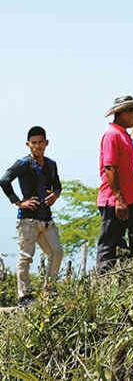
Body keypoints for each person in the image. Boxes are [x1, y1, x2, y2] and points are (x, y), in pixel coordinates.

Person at [1, 126, 63, 305]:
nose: (37, 146)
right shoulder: (23, 163)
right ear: (28, 144)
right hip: (27, 219)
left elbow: (57, 185)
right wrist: (19, 202)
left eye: (40, 142)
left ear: (46, 143)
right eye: (34, 143)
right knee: (26, 257)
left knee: (57, 252)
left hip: (46, 218)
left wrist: (55, 195)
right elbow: (4, 180)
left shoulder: (51, 164)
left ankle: (49, 292)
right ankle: (24, 296)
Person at [97, 96, 133, 272]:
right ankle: (104, 282)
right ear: (122, 113)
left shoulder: (124, 135)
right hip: (115, 201)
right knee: (109, 245)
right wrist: (119, 199)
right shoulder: (112, 134)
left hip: (132, 200)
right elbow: (110, 168)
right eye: (132, 112)